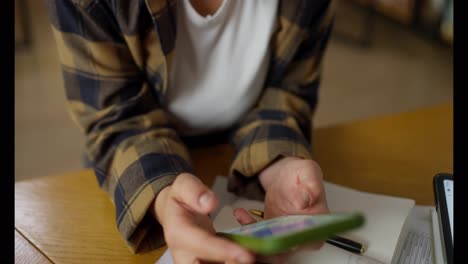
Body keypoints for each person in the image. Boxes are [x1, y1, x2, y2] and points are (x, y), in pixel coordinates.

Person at [46, 0, 334, 263]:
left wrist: (279, 163)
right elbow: (115, 116)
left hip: (242, 159)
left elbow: (287, 93)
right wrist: (163, 194)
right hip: (134, 166)